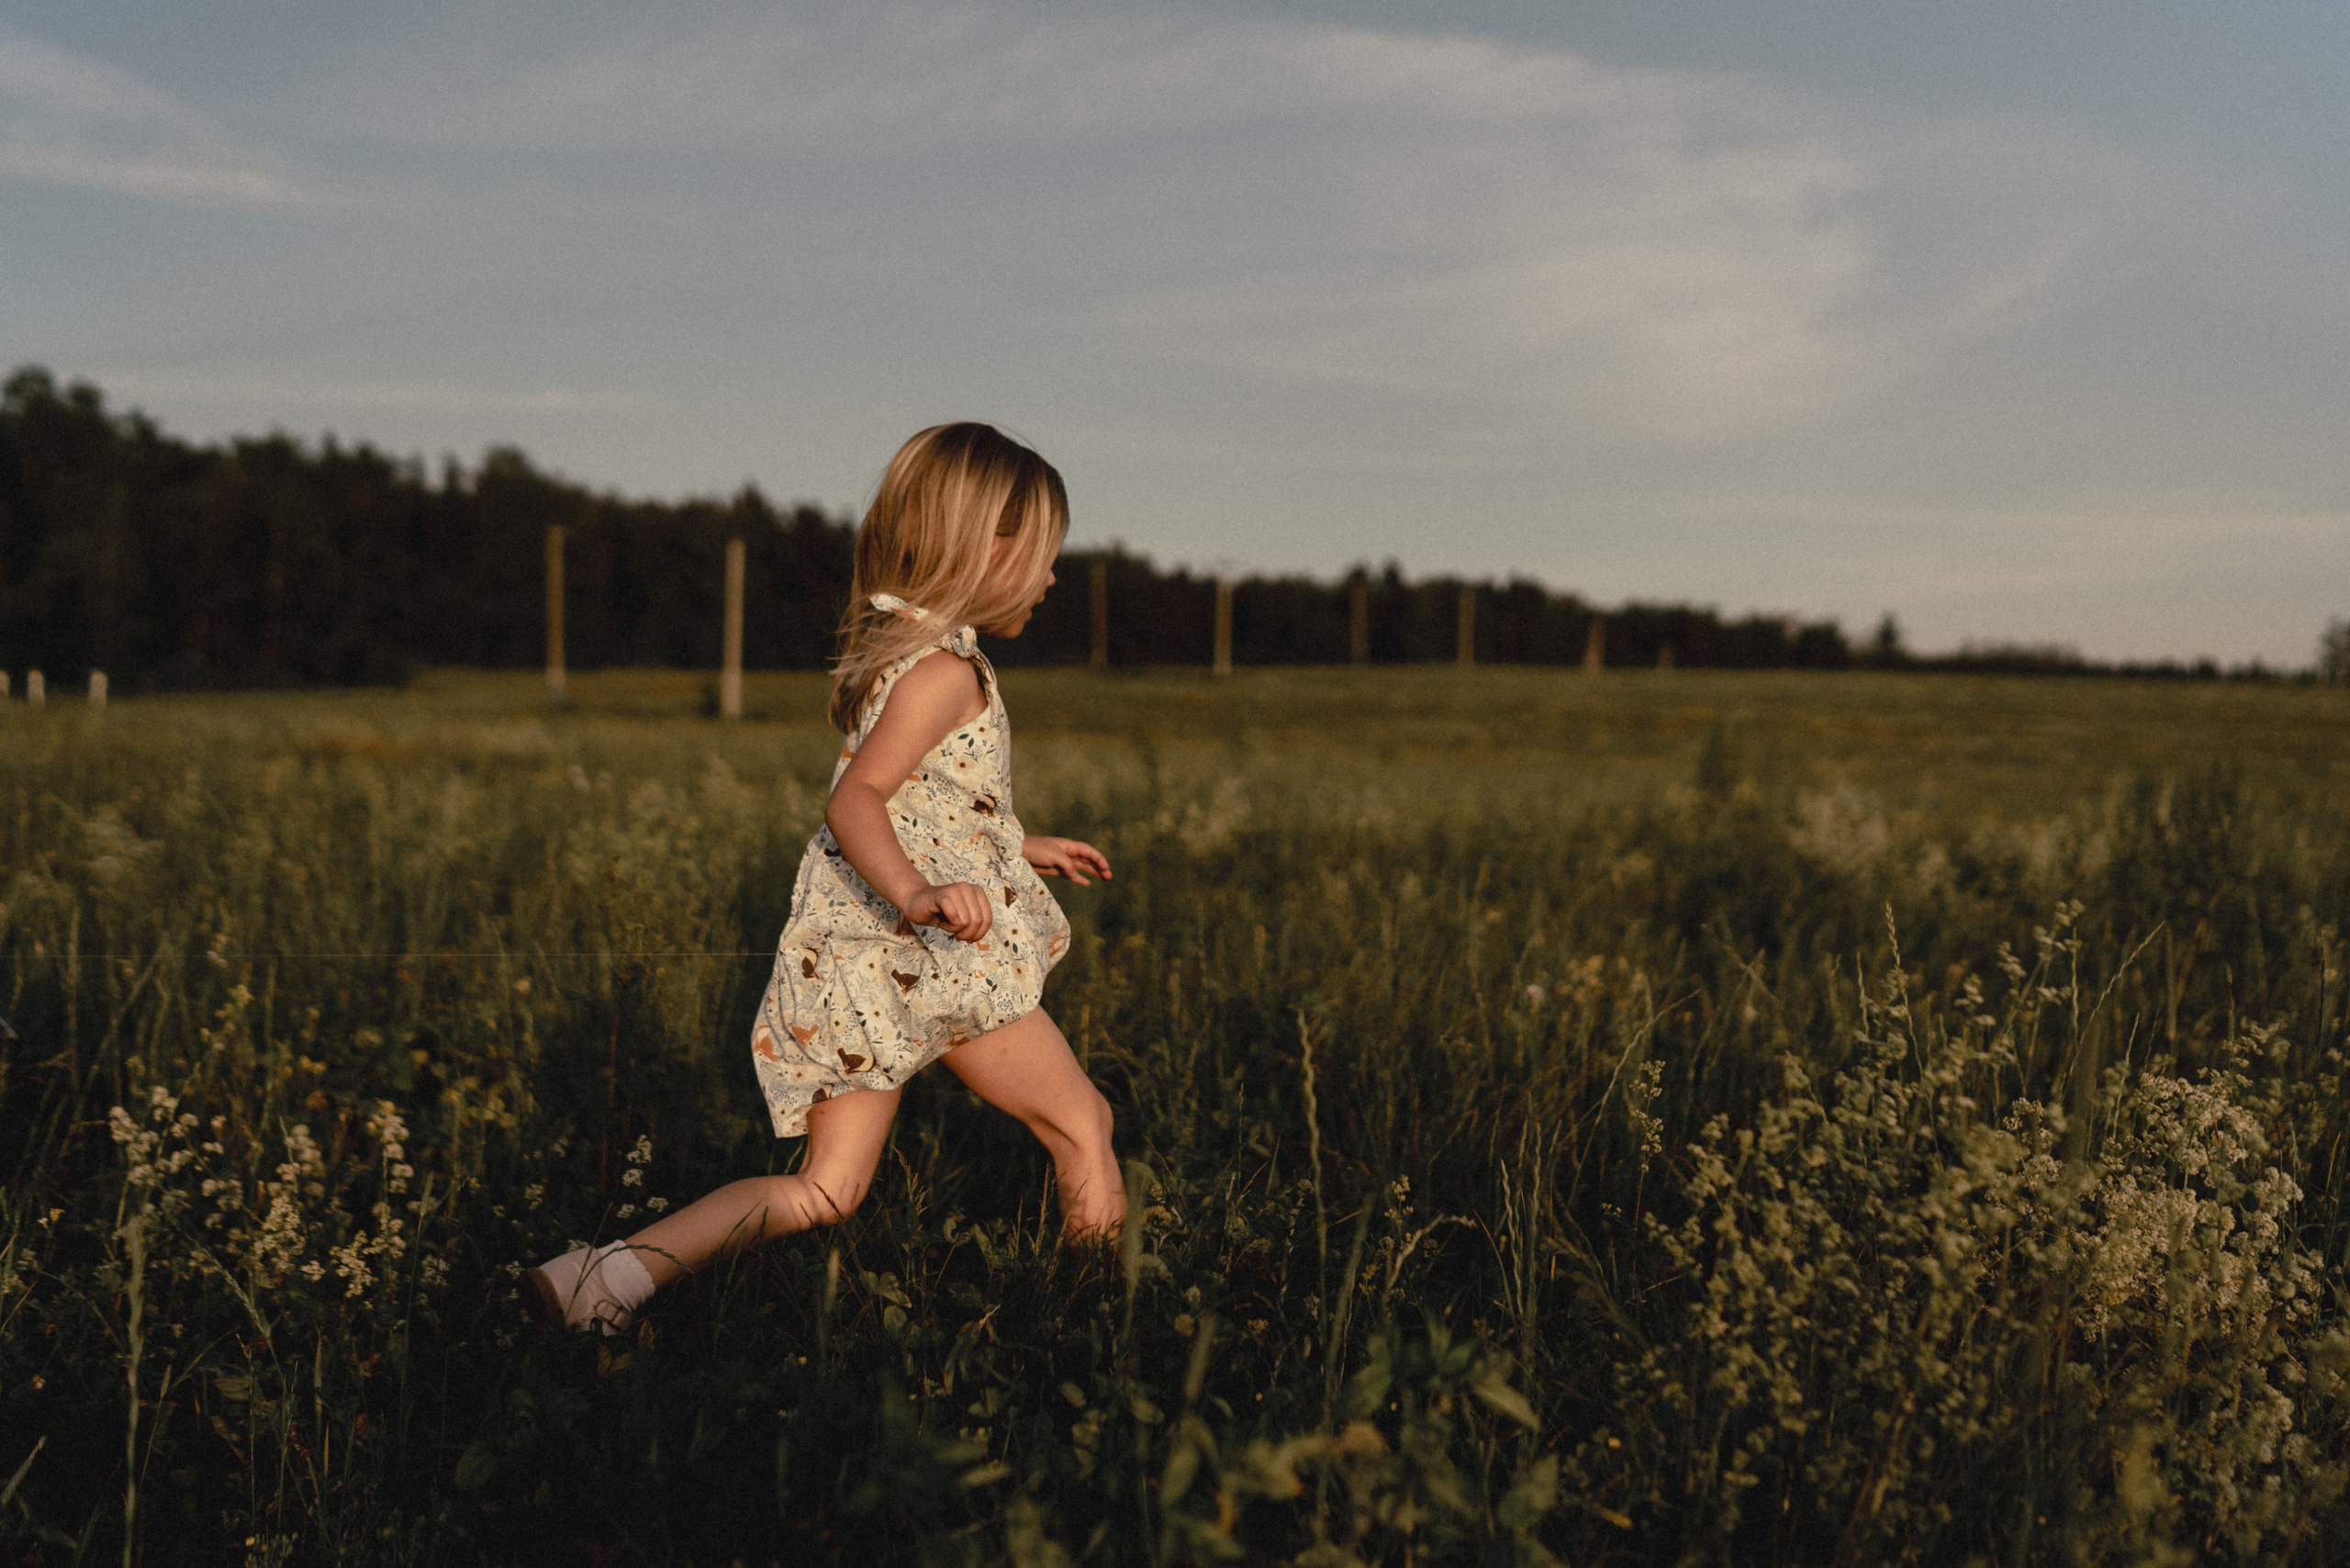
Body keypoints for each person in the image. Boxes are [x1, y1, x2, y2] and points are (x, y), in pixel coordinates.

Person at [525, 423, 1124, 1334]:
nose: (1050, 579)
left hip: (861, 968)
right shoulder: (946, 672)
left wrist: (1019, 845)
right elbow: (858, 800)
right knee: (1083, 1125)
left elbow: (925, 806)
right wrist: (918, 896)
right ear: (985, 550)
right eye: (1043, 556)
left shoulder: (903, 655)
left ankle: (602, 1280)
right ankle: (1103, 1326)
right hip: (937, 959)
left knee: (827, 1189)